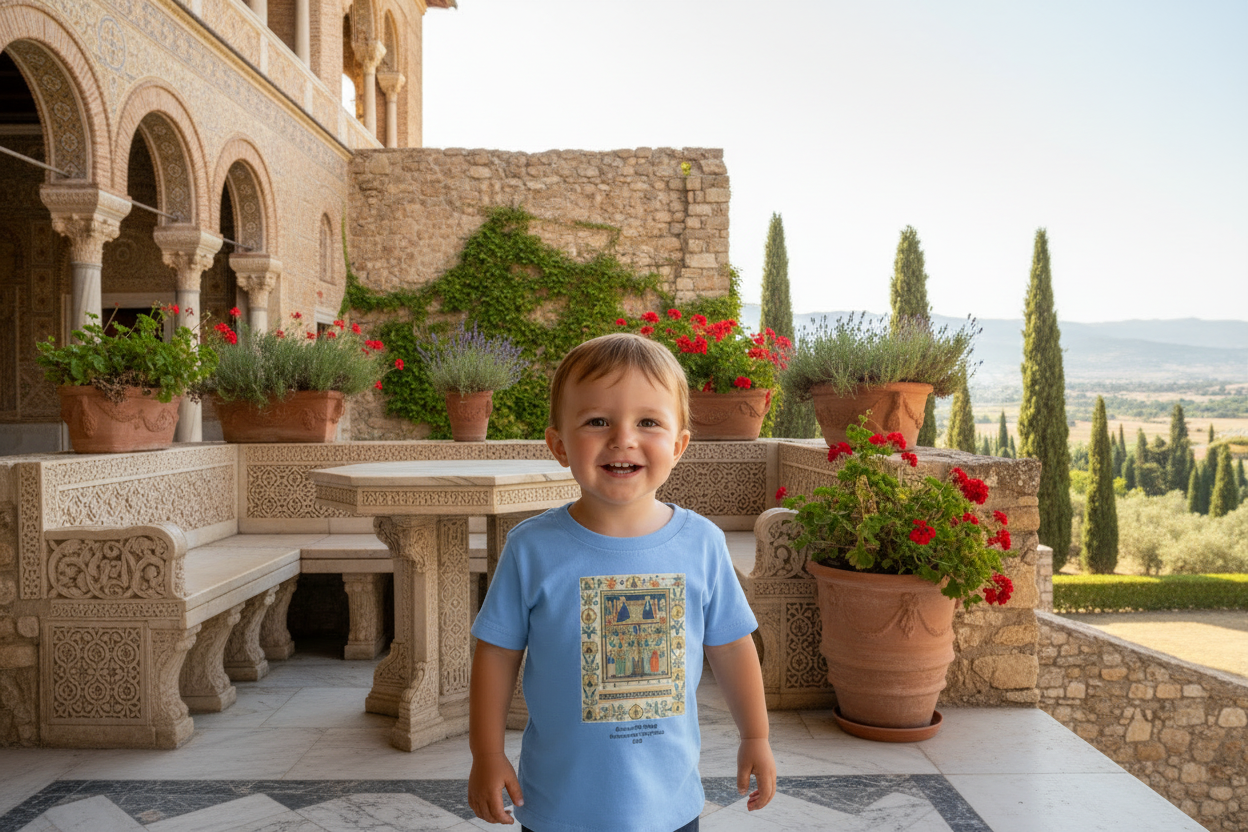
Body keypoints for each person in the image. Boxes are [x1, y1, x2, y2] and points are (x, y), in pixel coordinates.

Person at [468, 332, 776, 832]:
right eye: (597, 421)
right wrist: (486, 753)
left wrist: (756, 738)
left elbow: (733, 647)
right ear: (559, 445)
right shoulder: (531, 548)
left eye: (648, 422)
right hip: (557, 808)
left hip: (669, 809)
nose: (623, 439)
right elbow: (496, 654)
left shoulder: (702, 543)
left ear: (678, 446)